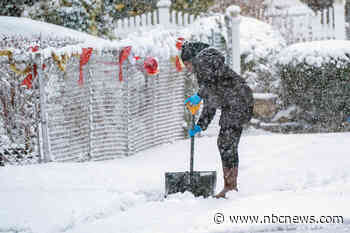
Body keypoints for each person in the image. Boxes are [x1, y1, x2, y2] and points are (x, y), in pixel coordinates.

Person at [181, 41, 254, 198]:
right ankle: (230, 186)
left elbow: (213, 81)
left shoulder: (206, 61)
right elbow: (211, 102)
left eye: (186, 63)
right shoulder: (206, 67)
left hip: (237, 102)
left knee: (226, 143)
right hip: (236, 103)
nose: (187, 68)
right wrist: (201, 124)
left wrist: (199, 95)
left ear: (193, 59)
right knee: (225, 143)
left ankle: (230, 187)